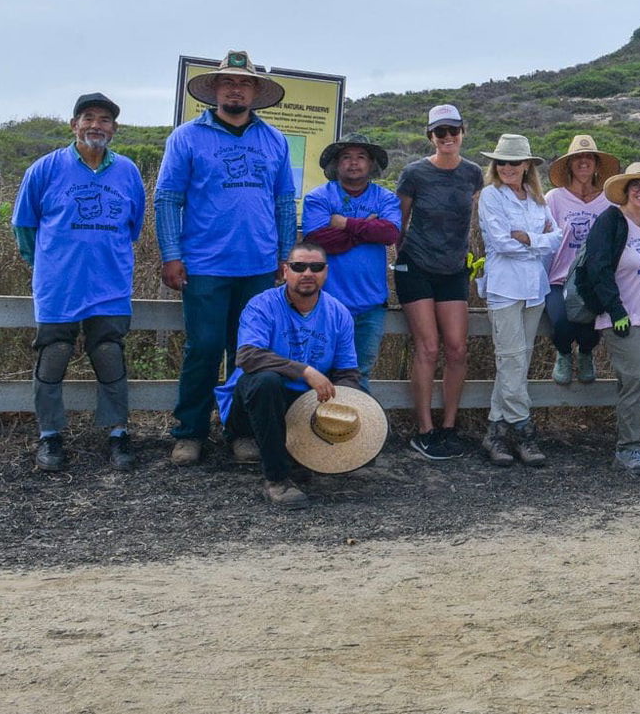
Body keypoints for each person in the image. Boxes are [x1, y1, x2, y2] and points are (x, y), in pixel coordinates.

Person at [155, 50, 297, 466]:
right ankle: (190, 431)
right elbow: (167, 199)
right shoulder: (187, 137)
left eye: (245, 83)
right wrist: (171, 254)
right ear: (215, 89)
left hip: (258, 266)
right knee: (204, 347)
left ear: (255, 91)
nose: (236, 89)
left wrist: (286, 256)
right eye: (228, 82)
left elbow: (284, 202)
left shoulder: (273, 140)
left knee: (249, 351)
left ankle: (242, 431)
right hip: (203, 263)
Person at [12, 92, 146, 472]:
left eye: (104, 120)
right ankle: (50, 436)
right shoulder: (45, 168)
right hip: (59, 287)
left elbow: (132, 227)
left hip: (110, 285)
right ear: (73, 124)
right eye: (88, 118)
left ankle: (118, 433)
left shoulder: (128, 172)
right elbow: (24, 225)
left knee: (109, 354)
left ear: (114, 129)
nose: (96, 125)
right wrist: (45, 267)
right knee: (52, 357)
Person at [216, 239, 363, 508]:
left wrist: (344, 410)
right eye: (299, 266)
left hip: (306, 405)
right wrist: (305, 371)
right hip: (253, 404)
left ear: (326, 272)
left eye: (316, 267)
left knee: (357, 394)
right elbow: (247, 356)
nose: (307, 273)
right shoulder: (261, 305)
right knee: (265, 381)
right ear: (286, 271)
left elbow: (348, 371)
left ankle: (306, 451)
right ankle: (276, 480)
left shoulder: (338, 313)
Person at [574, 161, 640, 476]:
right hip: (623, 317)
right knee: (634, 378)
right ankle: (628, 448)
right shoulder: (611, 221)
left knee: (634, 380)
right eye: (636, 185)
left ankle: (632, 442)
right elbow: (597, 266)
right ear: (625, 191)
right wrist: (615, 308)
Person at [395, 105, 484, 461]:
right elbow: (398, 223)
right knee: (428, 348)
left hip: (454, 270)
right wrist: (403, 260)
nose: (447, 138)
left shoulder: (473, 174)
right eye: (439, 132)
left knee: (458, 348)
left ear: (463, 132)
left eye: (453, 131)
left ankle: (449, 426)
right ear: (430, 136)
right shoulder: (414, 173)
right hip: (416, 267)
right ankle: (424, 429)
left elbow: (476, 219)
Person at [476, 134, 556, 468]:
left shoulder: (538, 199)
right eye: (503, 162)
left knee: (518, 361)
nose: (508, 168)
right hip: (505, 287)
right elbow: (501, 242)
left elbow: (558, 238)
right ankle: (523, 429)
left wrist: (529, 238)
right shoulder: (490, 196)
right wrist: (537, 241)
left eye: (515, 162)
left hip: (534, 286)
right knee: (510, 358)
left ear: (527, 166)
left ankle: (495, 431)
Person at [300, 134, 401, 388]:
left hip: (371, 305)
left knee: (359, 373)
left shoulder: (385, 198)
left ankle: (357, 428)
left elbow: (389, 234)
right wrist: (367, 228)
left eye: (361, 157)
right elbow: (318, 240)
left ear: (371, 164)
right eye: (346, 157)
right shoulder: (319, 197)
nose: (353, 163)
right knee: (320, 372)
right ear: (336, 163)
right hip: (325, 303)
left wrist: (346, 223)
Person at [544, 134, 618, 386]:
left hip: (593, 279)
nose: (584, 162)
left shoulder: (608, 201)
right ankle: (564, 354)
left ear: (597, 164)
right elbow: (545, 237)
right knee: (562, 322)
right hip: (560, 276)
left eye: (589, 157)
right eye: (578, 158)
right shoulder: (554, 198)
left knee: (589, 325)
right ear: (569, 165)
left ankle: (586, 354)